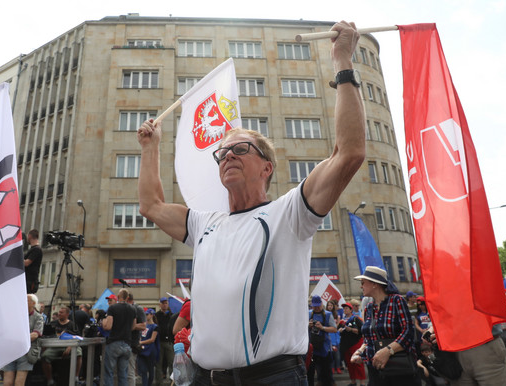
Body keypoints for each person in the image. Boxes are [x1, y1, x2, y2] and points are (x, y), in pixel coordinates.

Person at [137, 20, 365, 384]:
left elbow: (349, 153)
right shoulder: (204, 224)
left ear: (266, 167)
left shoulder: (290, 212)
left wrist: (342, 63)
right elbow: (150, 205)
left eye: (239, 149)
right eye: (222, 152)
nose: (227, 155)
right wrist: (151, 148)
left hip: (271, 378)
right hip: (204, 378)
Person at [351, 266, 419, 386]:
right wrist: (360, 352)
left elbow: (408, 332)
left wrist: (388, 351)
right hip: (375, 370)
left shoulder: (397, 300)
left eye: (363, 283)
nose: (361, 286)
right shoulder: (368, 307)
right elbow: (369, 339)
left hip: (399, 368)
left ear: (374, 284)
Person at [2, 294, 44, 386]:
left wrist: (19, 338)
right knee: (7, 383)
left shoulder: (38, 317)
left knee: (19, 383)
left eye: (26, 300)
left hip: (26, 353)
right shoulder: (16, 315)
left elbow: (36, 334)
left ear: (33, 303)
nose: (23, 301)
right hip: (11, 352)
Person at [102, 289, 137, 386]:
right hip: (127, 344)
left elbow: (108, 326)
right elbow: (133, 327)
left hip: (114, 342)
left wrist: (103, 323)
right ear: (127, 298)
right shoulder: (132, 309)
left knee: (109, 372)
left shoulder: (112, 308)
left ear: (118, 296)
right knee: (123, 374)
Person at [41, 306, 83, 386]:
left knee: (79, 353)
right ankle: (50, 380)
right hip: (54, 347)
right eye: (59, 312)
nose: (59, 314)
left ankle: (76, 377)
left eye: (61, 312)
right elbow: (46, 336)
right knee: (44, 356)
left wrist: (69, 347)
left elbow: (77, 338)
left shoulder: (72, 325)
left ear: (67, 314)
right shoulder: (52, 324)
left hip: (69, 346)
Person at [308, 295, 338, 386]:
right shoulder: (308, 313)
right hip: (311, 347)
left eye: (318, 305)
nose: (316, 308)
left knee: (327, 372)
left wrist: (322, 327)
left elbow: (334, 329)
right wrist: (308, 326)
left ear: (321, 304)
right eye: (314, 306)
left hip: (325, 347)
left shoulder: (328, 314)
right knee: (313, 372)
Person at [338, 302, 366, 386]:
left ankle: (362, 383)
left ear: (351, 310)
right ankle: (353, 381)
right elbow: (337, 329)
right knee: (349, 364)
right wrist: (339, 331)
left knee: (358, 363)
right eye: (344, 308)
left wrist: (351, 329)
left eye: (347, 308)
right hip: (346, 345)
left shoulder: (356, 319)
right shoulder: (342, 321)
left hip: (356, 343)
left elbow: (361, 331)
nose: (345, 310)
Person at [126, 292, 147, 386]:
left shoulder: (138, 308)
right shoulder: (124, 308)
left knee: (130, 371)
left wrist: (131, 326)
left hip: (132, 344)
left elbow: (143, 326)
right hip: (122, 342)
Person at [137, 308, 159, 386]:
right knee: (143, 371)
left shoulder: (155, 326)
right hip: (142, 350)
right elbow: (139, 335)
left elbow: (152, 339)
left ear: (152, 315)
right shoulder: (143, 325)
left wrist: (141, 342)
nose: (145, 316)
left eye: (147, 314)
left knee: (151, 372)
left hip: (150, 350)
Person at [155, 297, 174, 384]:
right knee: (159, 363)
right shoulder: (157, 315)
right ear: (160, 305)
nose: (164, 305)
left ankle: (172, 382)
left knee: (171, 362)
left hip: (169, 342)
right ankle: (159, 382)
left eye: (166, 303)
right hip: (159, 342)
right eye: (163, 303)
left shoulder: (171, 315)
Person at [24, 229, 42, 294]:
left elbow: (26, 263)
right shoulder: (33, 249)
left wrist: (16, 258)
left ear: (29, 236)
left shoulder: (36, 250)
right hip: (27, 280)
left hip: (30, 282)